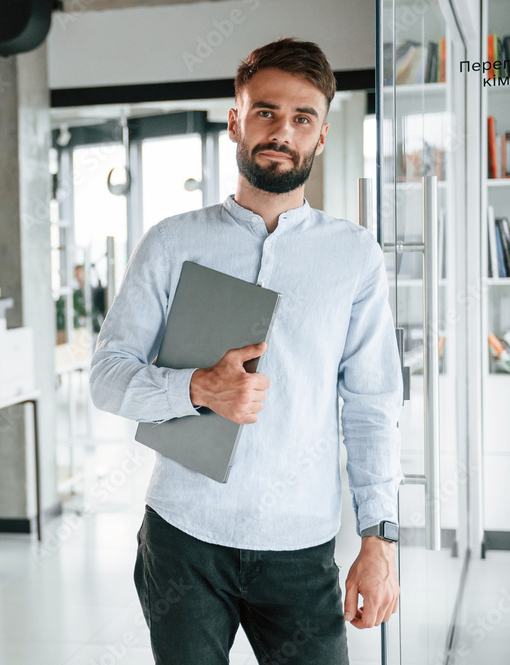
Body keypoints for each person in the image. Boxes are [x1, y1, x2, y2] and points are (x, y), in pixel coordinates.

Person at [89, 38, 403, 665]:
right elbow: (106, 377)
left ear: (321, 136)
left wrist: (379, 539)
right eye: (265, 111)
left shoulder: (355, 255)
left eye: (302, 118)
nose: (282, 131)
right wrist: (196, 388)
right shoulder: (170, 243)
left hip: (301, 546)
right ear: (235, 120)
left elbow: (372, 405)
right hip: (183, 537)